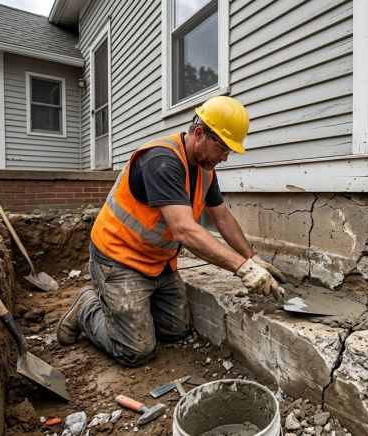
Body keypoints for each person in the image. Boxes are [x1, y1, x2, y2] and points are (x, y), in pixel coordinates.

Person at [55, 96, 286, 366]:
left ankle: (133, 312)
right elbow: (184, 231)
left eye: (229, 151)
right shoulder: (161, 160)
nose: (225, 157)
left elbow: (222, 217)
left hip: (158, 263)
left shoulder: (205, 169)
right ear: (199, 134)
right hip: (119, 259)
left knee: (176, 331)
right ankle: (87, 307)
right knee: (136, 351)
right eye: (223, 148)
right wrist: (242, 268)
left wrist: (252, 258)